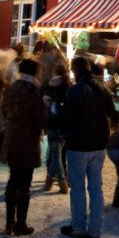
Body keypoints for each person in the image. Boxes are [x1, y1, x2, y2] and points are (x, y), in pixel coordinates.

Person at [60, 55, 118, 238]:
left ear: (75, 71)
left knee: (77, 188)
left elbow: (65, 118)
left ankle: (78, 226)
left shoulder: (74, 91)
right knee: (96, 188)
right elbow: (112, 113)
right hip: (99, 144)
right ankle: (95, 231)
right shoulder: (103, 89)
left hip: (79, 145)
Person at [2, 58, 45, 236]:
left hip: (12, 140)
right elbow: (40, 120)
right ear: (34, 72)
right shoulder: (34, 92)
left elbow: (4, 111)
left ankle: (9, 223)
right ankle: (20, 224)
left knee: (13, 179)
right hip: (27, 142)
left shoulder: (12, 88)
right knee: (24, 183)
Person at [44, 63, 70, 194]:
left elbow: (46, 103)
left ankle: (62, 182)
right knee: (56, 155)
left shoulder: (50, 85)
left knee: (56, 156)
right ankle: (48, 182)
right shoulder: (69, 87)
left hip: (52, 124)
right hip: (64, 126)